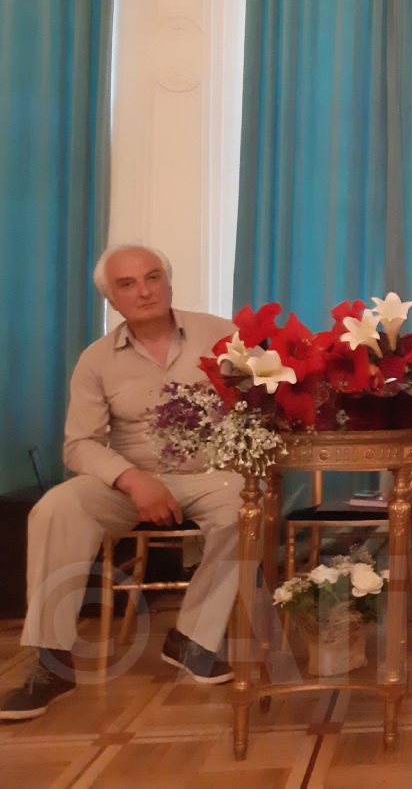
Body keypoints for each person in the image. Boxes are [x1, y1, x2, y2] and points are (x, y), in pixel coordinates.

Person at [0, 244, 242, 721]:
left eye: (152, 277)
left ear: (168, 282)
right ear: (111, 299)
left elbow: (264, 400)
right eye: (127, 284)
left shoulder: (222, 336)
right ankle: (52, 661)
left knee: (247, 505)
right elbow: (79, 444)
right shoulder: (96, 360)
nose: (144, 291)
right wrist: (132, 479)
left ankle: (193, 638)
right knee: (56, 507)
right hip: (130, 480)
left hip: (212, 476)